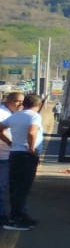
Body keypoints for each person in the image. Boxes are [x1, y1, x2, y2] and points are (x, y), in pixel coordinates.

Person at [2, 94, 44, 230]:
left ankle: (19, 216)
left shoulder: (15, 115)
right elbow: (32, 132)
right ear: (38, 105)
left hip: (14, 154)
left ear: (24, 103)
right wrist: (31, 149)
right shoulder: (34, 116)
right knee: (22, 188)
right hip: (26, 156)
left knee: (16, 187)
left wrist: (10, 142)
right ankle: (16, 219)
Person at [0, 92, 19, 226]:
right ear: (9, 101)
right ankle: (2, 217)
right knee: (2, 187)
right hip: (2, 156)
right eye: (18, 101)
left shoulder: (9, 112)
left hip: (7, 155)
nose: (20, 105)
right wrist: (11, 143)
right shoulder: (2, 113)